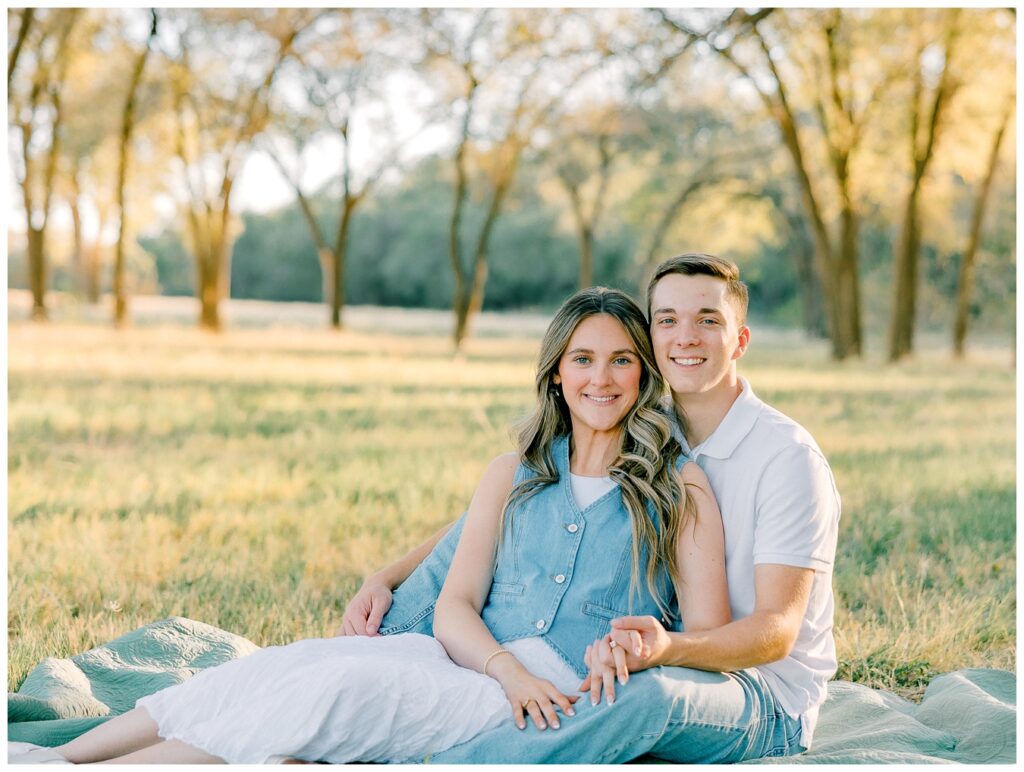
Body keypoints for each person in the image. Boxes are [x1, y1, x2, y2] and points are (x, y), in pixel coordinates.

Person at [13, 287, 729, 764]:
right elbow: (454, 603)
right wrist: (500, 665)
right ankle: (54, 760)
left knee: (337, 692)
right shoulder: (512, 475)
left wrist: (653, 650)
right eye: (582, 359)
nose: (600, 379)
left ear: (643, 376)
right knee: (282, 667)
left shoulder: (679, 488)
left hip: (553, 688)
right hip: (473, 661)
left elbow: (710, 634)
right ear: (555, 374)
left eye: (621, 361)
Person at [340, 253, 841, 763]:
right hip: (673, 655)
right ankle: (364, 698)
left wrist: (668, 650)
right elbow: (504, 513)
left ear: (740, 340)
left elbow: (777, 631)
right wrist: (389, 575)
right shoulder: (646, 424)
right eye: (667, 320)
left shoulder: (785, 458)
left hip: (758, 695)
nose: (685, 337)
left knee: (647, 695)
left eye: (708, 321)